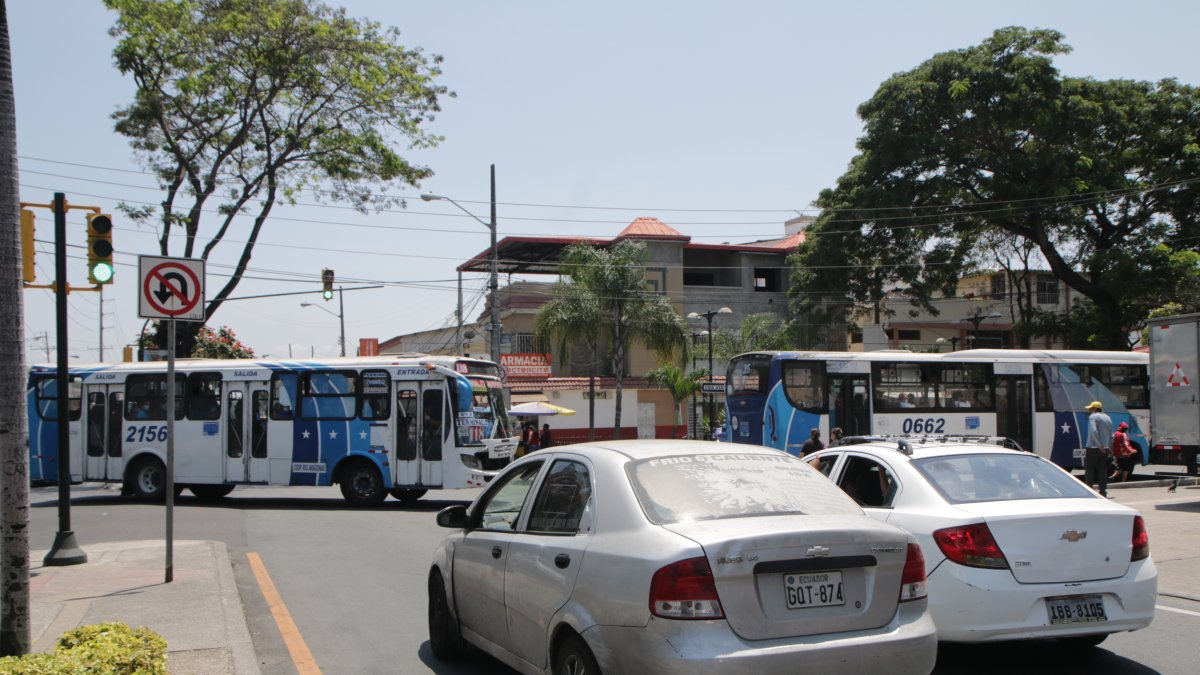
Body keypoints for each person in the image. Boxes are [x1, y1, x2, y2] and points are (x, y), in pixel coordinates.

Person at [1084, 401, 1113, 497]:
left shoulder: (1093, 417)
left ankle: (1089, 492)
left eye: (1091, 408)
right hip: (1105, 448)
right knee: (1102, 471)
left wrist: (1099, 444)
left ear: (1095, 409)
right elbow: (1111, 435)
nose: (1089, 410)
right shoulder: (1108, 418)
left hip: (1093, 447)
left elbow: (1093, 431)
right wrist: (1110, 447)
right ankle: (1103, 492)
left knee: (1090, 470)